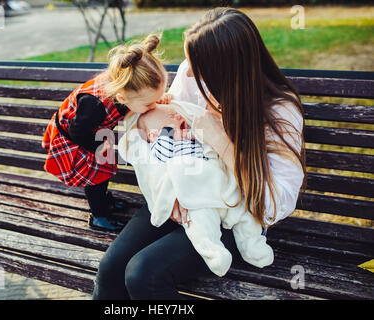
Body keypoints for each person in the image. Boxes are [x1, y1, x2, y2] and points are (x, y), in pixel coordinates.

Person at [93, 7, 306, 299]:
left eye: (197, 67)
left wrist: (221, 141)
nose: (188, 72)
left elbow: (273, 205)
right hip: (177, 197)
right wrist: (147, 128)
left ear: (228, 72)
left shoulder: (280, 113)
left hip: (231, 212)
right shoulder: (192, 76)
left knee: (143, 274)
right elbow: (152, 128)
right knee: (110, 269)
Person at [118, 100, 274, 278]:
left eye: (175, 114)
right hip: (194, 197)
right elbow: (163, 157)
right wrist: (168, 132)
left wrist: (191, 133)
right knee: (201, 225)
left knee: (242, 215)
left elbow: (206, 140)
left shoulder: (186, 135)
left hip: (216, 187)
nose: (176, 116)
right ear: (154, 134)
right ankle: (214, 252)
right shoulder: (160, 143)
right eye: (168, 117)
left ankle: (253, 245)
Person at [42, 34, 170, 232]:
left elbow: (135, 104)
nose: (152, 106)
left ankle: (104, 199)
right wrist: (98, 145)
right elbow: (76, 130)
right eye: (148, 103)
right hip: (76, 138)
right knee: (95, 177)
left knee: (103, 171)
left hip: (96, 133)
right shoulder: (96, 106)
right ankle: (98, 216)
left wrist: (157, 101)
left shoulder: (127, 84)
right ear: (122, 96)